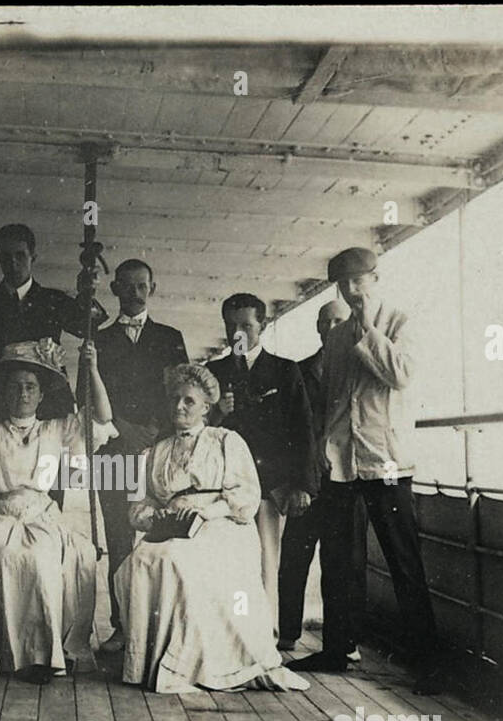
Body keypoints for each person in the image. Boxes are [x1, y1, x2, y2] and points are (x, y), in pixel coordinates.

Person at [287, 247, 441, 695]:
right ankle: (337, 649)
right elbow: (334, 399)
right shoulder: (334, 340)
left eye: (359, 281)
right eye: (344, 283)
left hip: (387, 462)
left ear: (375, 278)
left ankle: (426, 662)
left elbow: (401, 374)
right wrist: (321, 447)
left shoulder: (399, 322)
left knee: (403, 561)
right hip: (342, 464)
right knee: (338, 561)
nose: (352, 290)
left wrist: (367, 331)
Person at [115, 363, 311, 694]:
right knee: (138, 561)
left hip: (222, 527)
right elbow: (137, 506)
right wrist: (153, 518)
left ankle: (192, 663)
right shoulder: (156, 452)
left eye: (188, 401)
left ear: (207, 406)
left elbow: (246, 497)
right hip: (172, 529)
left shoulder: (226, 441)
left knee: (177, 561)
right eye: (175, 399)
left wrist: (205, 513)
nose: (179, 406)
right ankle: (152, 662)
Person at [0, 338, 116, 684]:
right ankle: (0, 651)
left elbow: (102, 417)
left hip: (42, 516)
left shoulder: (55, 428)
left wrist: (91, 368)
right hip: (2, 516)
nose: (23, 393)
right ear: (4, 393)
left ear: (41, 395)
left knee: (42, 559)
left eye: (30, 386)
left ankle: (41, 657)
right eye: (15, 387)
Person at [86, 258, 189, 653]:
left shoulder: (170, 336)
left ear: (153, 288)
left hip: (159, 449)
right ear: (114, 290)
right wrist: (121, 430)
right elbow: (88, 393)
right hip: (113, 450)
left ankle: (159, 625)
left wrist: (151, 429)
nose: (134, 293)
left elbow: (183, 389)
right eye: (126, 286)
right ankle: (121, 625)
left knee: (159, 535)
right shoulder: (100, 340)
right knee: (118, 538)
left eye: (142, 285)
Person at [205, 292, 319, 625]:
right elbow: (199, 430)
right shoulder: (213, 371)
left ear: (263, 325)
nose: (238, 334)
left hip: (271, 485)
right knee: (226, 561)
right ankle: (227, 632)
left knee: (268, 560)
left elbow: (303, 429)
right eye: (231, 326)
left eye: (246, 325)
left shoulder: (285, 371)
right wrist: (217, 413)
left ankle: (264, 633)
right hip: (223, 487)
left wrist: (303, 485)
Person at [0, 222, 107, 427]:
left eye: (20, 255)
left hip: (48, 409)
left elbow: (87, 327)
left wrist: (86, 294)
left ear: (32, 257)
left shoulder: (53, 300)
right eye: (6, 257)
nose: (13, 263)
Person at [275, 299, 366, 657]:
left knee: (345, 562)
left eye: (338, 321)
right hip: (308, 480)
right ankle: (288, 632)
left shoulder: (359, 370)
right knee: (295, 557)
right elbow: (288, 431)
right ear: (317, 327)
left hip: (348, 481)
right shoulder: (297, 371)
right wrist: (300, 476)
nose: (331, 328)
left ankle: (347, 639)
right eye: (325, 322)